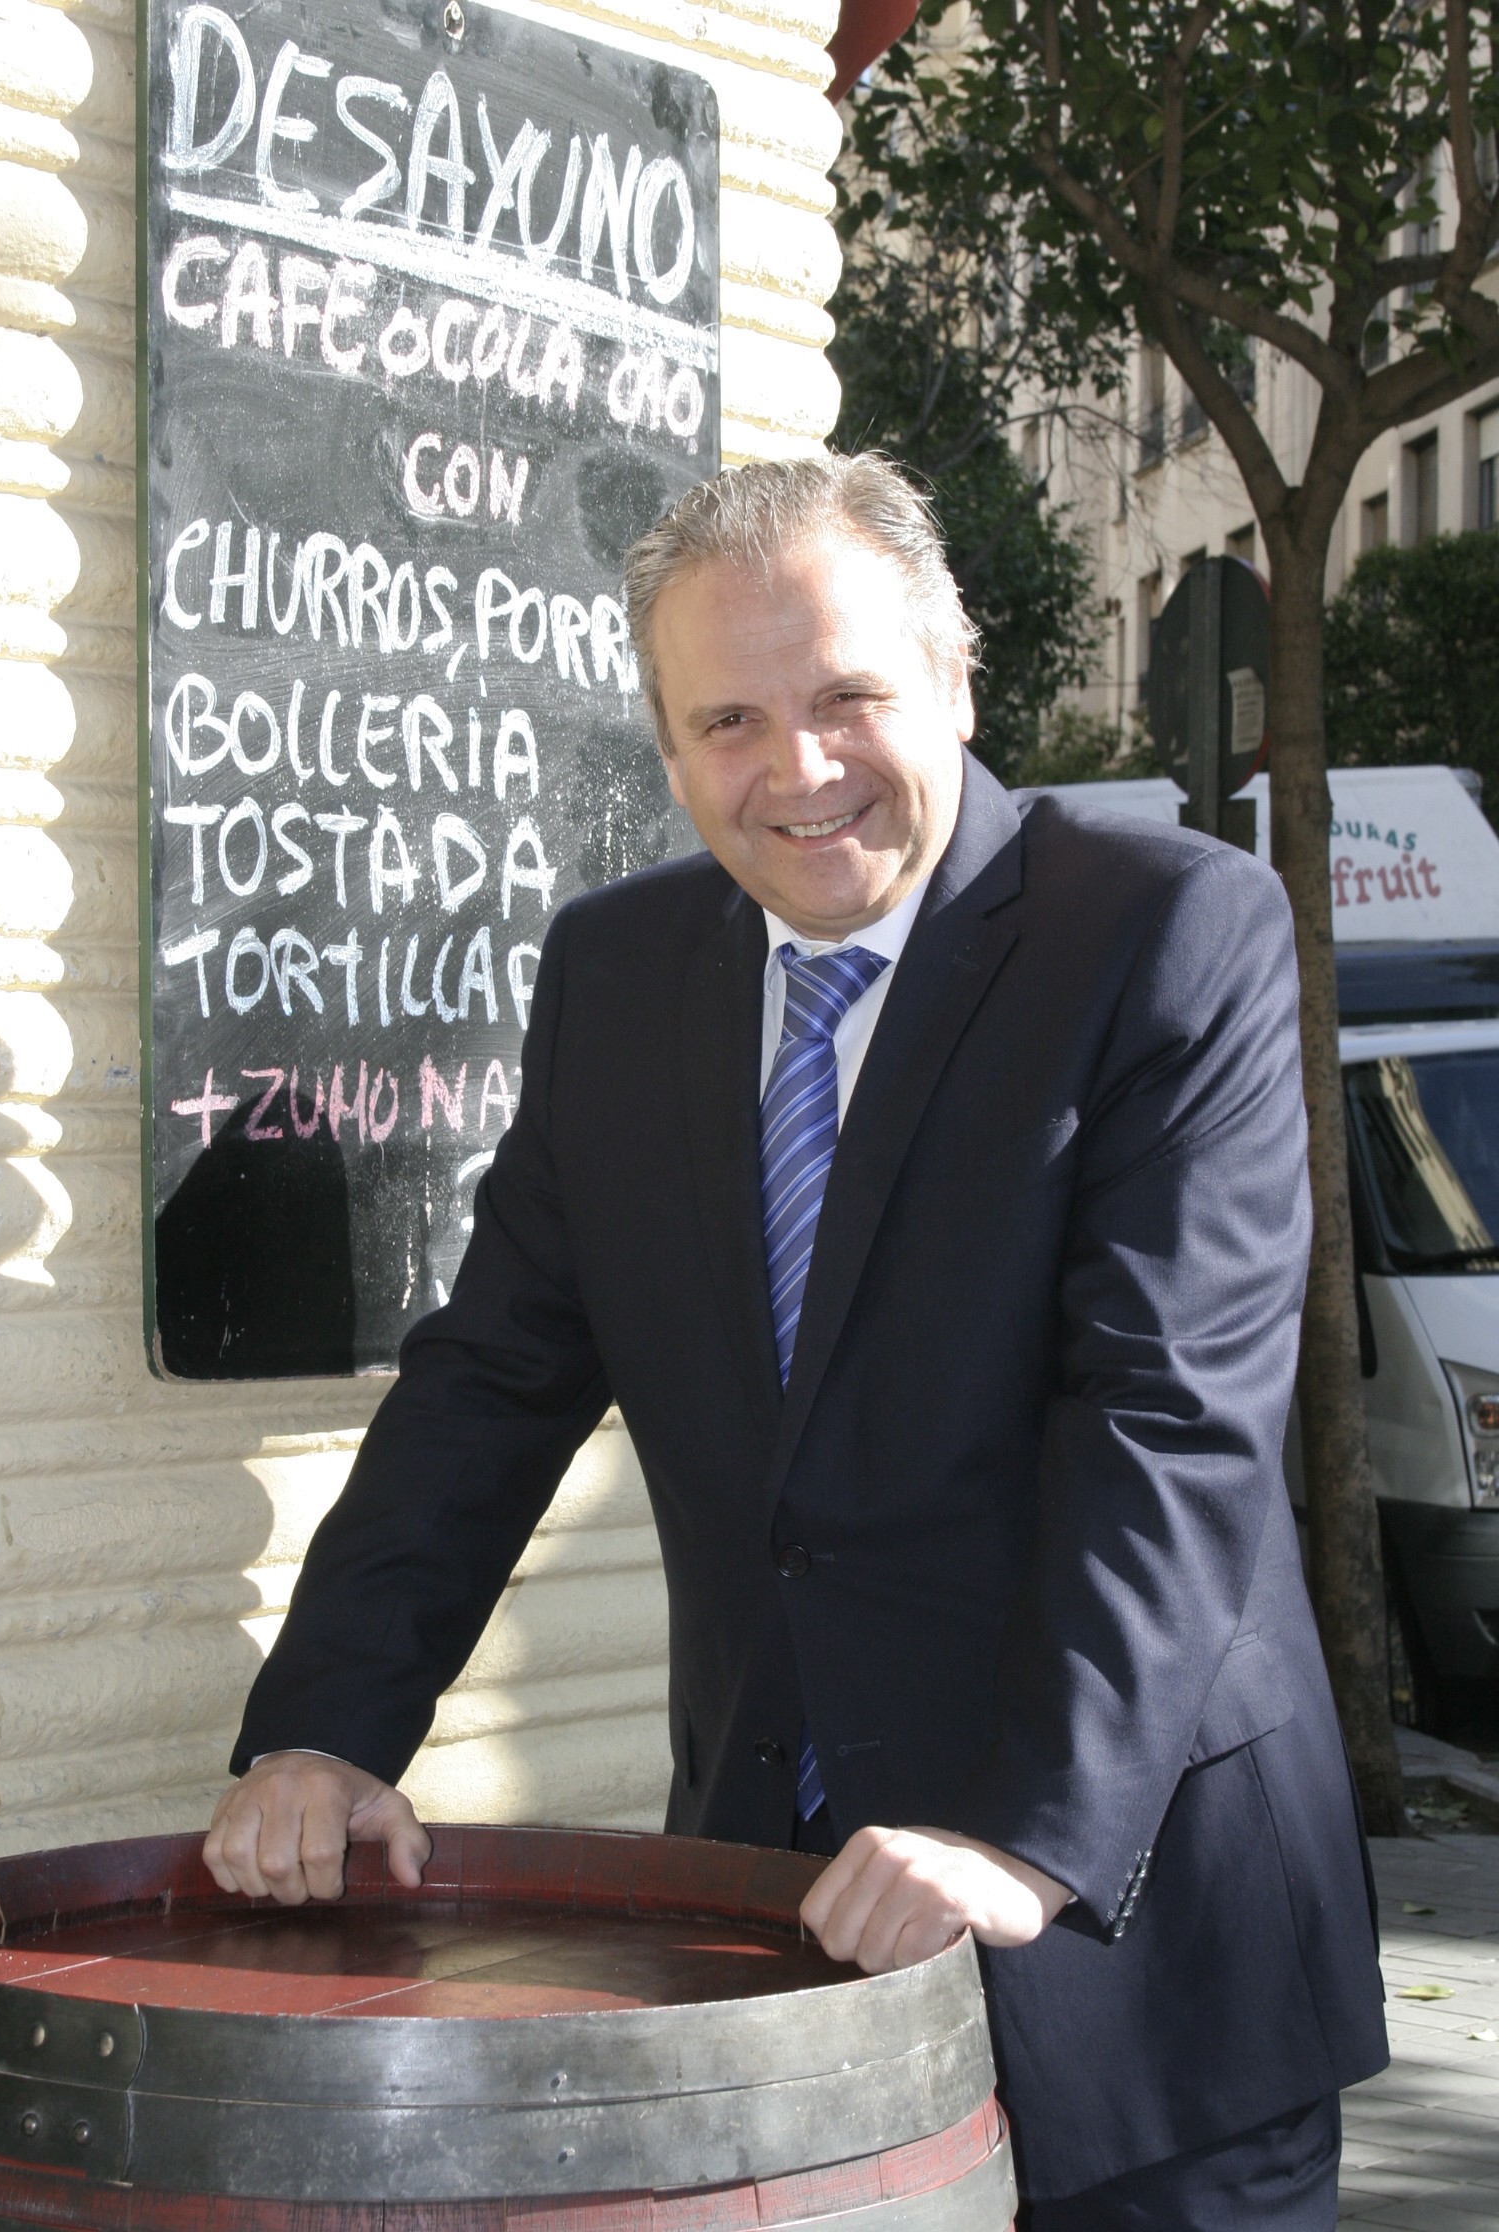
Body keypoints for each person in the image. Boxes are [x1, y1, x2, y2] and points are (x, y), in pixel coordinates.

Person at [206, 455, 1388, 2225]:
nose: (799, 770)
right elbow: (495, 1379)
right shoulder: (618, 976)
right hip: (773, 1936)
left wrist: (1022, 1835)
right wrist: (323, 1732)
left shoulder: (1165, 935)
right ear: (669, 749)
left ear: (956, 679)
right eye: (731, 721)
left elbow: (1175, 1417)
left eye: (848, 699)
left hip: (1144, 1951)